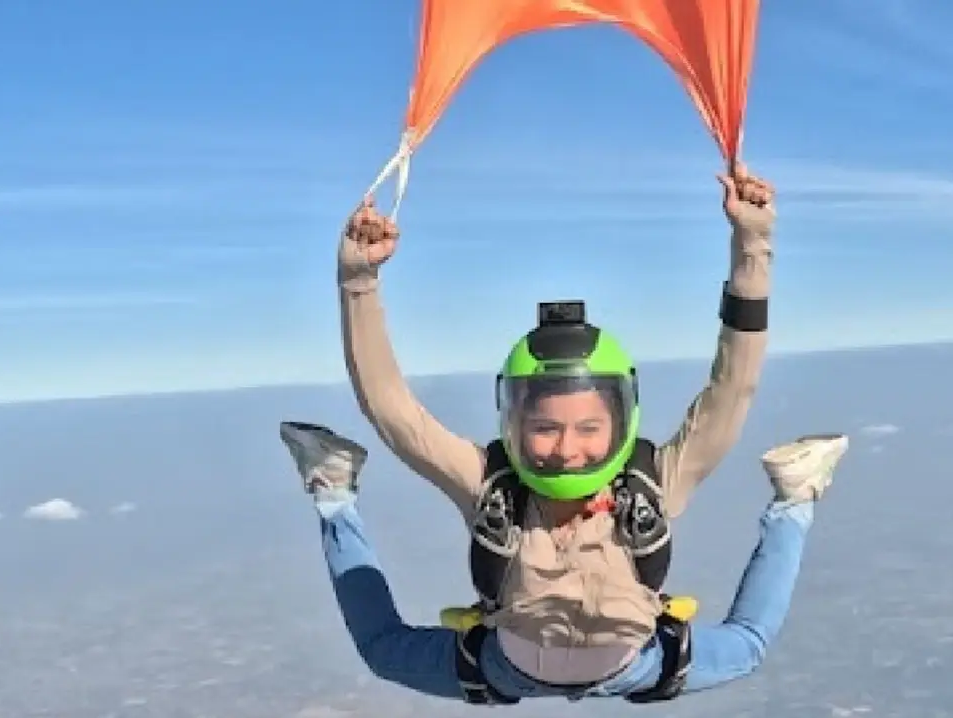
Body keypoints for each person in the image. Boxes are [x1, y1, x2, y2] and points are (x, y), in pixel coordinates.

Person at [288, 164, 850, 703]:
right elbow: (391, 409)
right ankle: (333, 491)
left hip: (630, 663)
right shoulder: (491, 488)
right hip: (511, 666)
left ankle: (794, 498)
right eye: (544, 428)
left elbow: (733, 386)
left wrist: (752, 244)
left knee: (749, 645)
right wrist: (358, 280)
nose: (566, 449)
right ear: (513, 424)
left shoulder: (651, 483)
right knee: (382, 651)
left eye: (589, 428)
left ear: (620, 423)